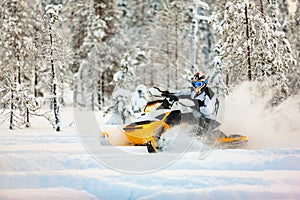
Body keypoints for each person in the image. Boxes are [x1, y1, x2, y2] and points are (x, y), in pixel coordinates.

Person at [175, 71, 221, 137]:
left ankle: (198, 139)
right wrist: (166, 94)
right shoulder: (193, 92)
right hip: (196, 117)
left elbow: (207, 111)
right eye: (194, 84)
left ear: (203, 84)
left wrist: (195, 104)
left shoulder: (210, 94)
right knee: (177, 116)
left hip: (208, 122)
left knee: (198, 122)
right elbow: (180, 93)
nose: (196, 87)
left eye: (198, 84)